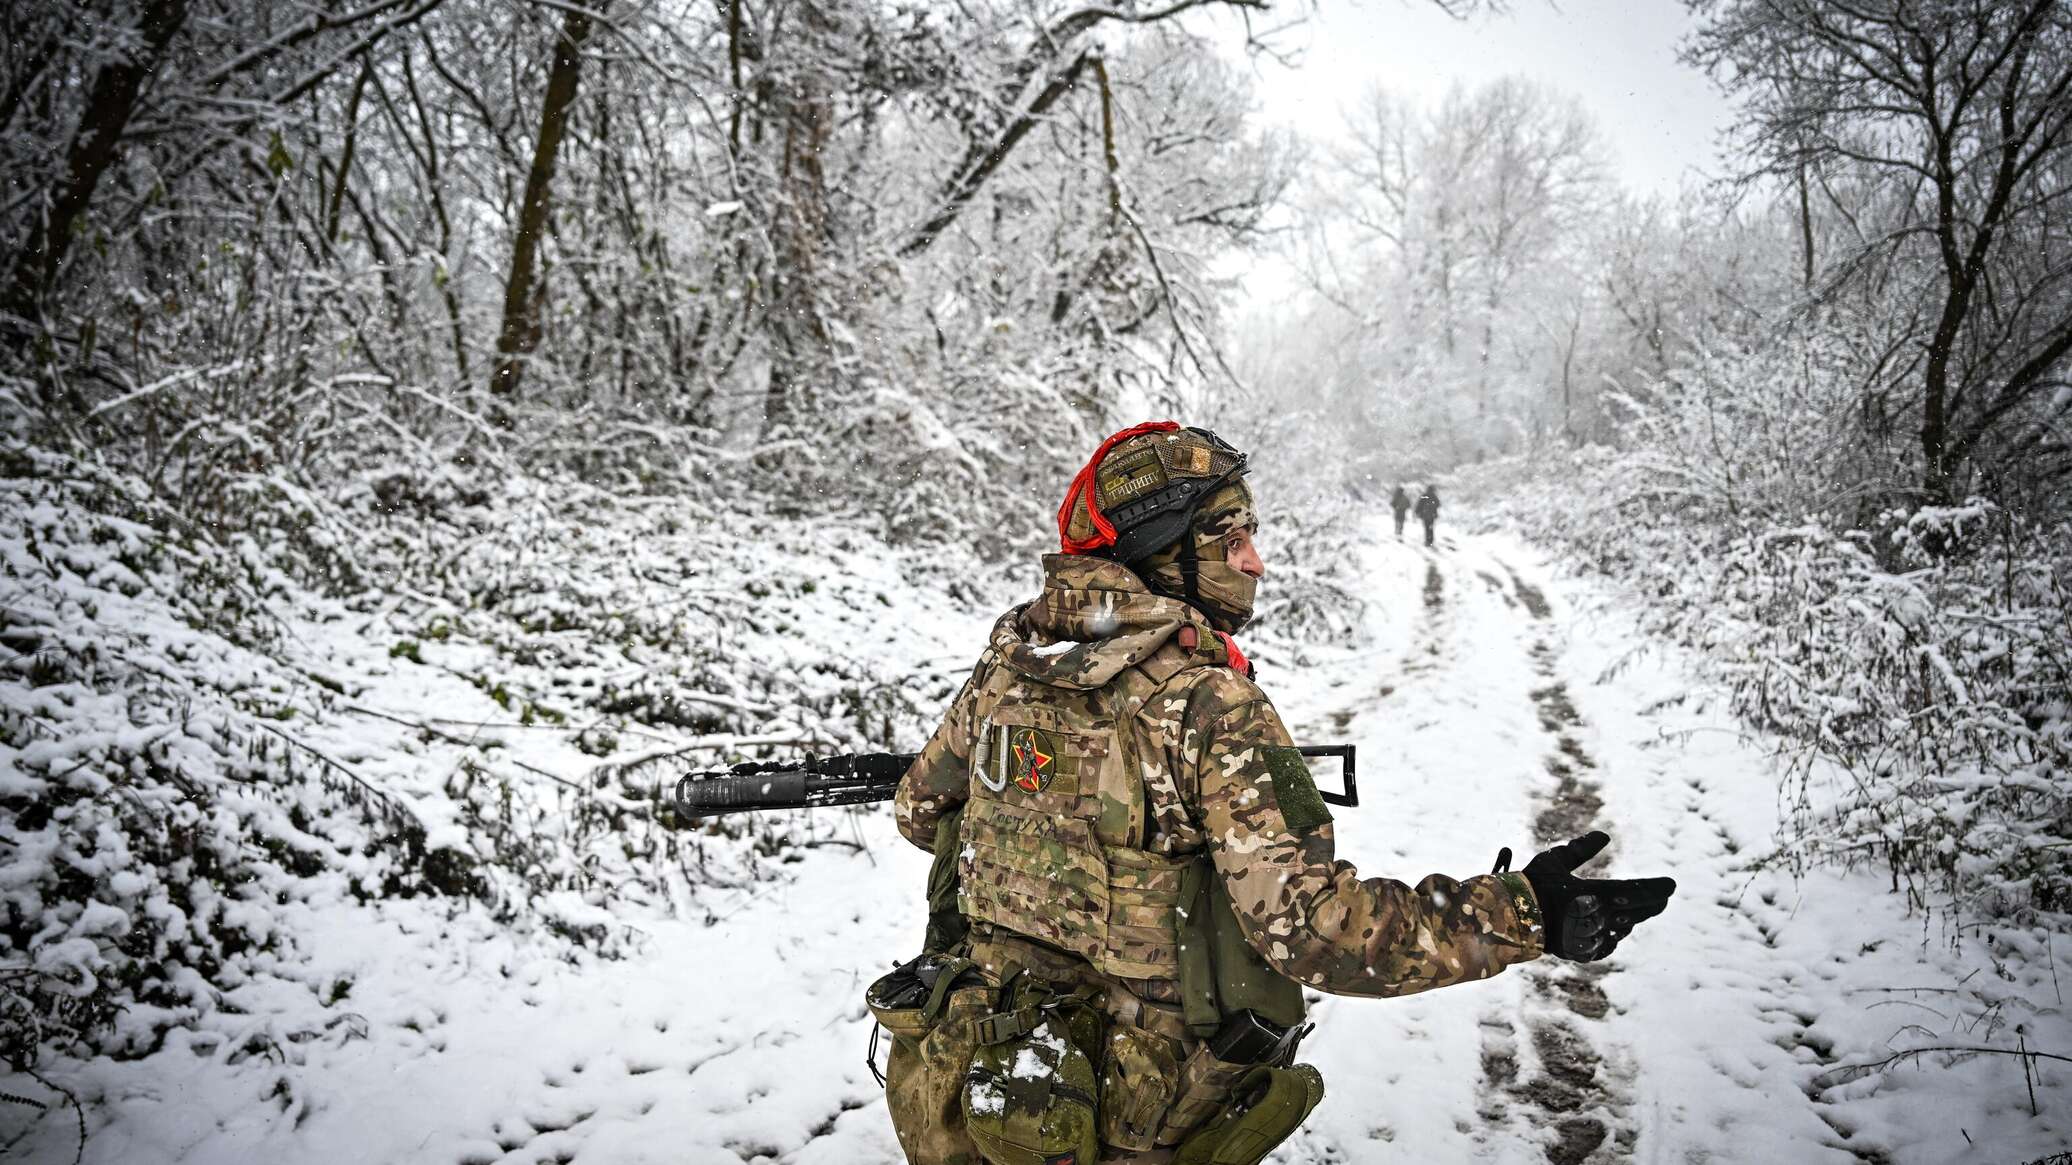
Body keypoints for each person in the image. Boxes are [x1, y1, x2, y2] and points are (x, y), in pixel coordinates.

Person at [884, 423, 1673, 1165]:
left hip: (993, 1074)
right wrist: (1523, 908)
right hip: (1137, 1110)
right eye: (1232, 539)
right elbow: (1317, 932)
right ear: (1164, 551)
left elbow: (922, 811)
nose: (1256, 561)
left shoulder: (1012, 667)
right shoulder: (1207, 705)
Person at [1414, 483, 1440, 548]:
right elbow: (1438, 504)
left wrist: (1417, 512)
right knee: (1431, 528)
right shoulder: (1434, 496)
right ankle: (1431, 541)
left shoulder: (1424, 495)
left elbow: (1419, 504)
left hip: (1425, 515)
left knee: (1427, 528)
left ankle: (1427, 542)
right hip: (1432, 515)